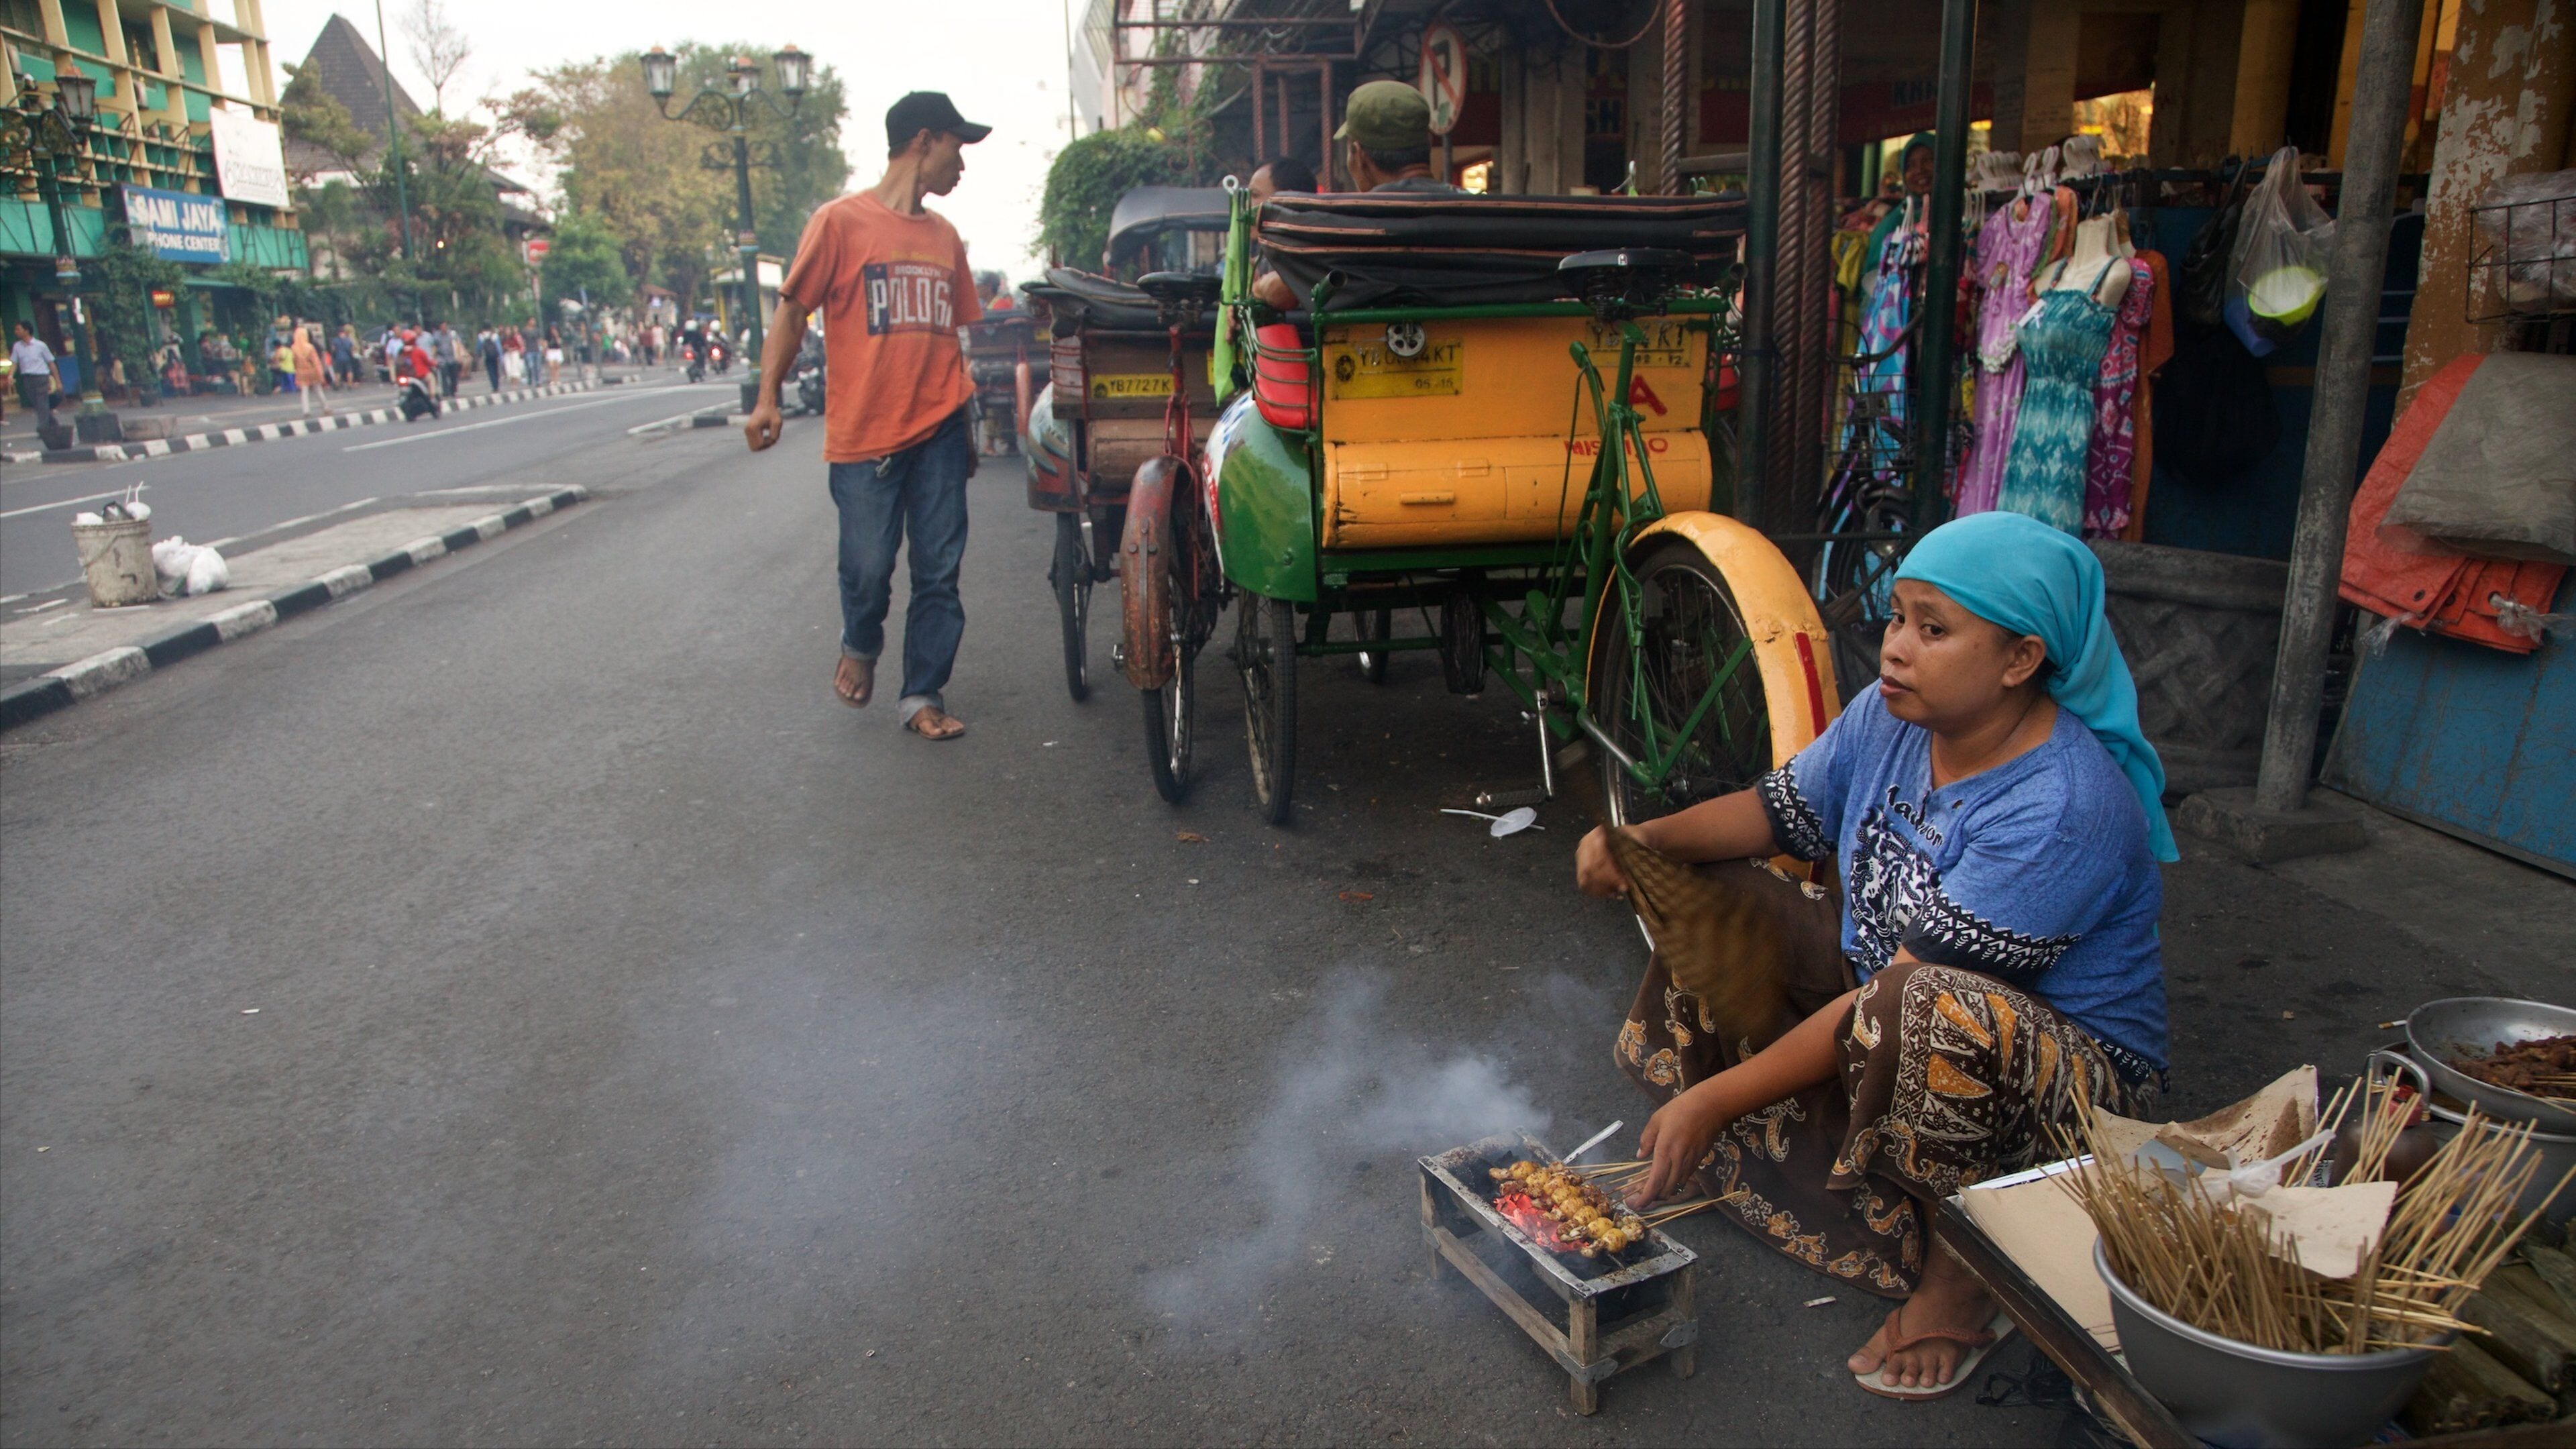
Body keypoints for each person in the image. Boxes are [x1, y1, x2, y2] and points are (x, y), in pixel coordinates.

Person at [1573, 510, 2174, 1401]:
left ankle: (1962, 1282)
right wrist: (1640, 841)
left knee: (1928, 1005)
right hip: (1890, 998)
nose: (1896, 648)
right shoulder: (1888, 718)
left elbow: (1900, 994)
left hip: (2071, 1099)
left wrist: (1716, 1094)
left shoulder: (2063, 806)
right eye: (1898, 618)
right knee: (1710, 889)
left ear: (2020, 661)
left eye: (1935, 629)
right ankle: (1741, 1149)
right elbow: (1777, 815)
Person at [744, 89, 988, 742]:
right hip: (864, 435)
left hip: (938, 426)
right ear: (923, 141)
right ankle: (860, 638)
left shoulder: (946, 238)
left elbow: (954, 341)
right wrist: (768, 396)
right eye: (956, 149)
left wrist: (966, 429)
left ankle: (922, 695)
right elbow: (793, 311)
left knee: (939, 569)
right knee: (869, 568)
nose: (961, 166)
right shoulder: (840, 222)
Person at [1254, 82, 1457, 307]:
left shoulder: (1340, 227)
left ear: (1358, 155)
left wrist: (1259, 289)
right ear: (1429, 142)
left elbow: (1283, 292)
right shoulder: (1485, 217)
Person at [11, 322, 58, 432]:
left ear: (26, 331)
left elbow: (51, 363)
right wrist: (10, 375)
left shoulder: (40, 345)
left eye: (18, 329)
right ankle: (53, 423)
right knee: (37, 404)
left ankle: (42, 429)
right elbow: (14, 363)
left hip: (41, 377)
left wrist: (57, 380)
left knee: (42, 403)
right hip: (27, 378)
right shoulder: (17, 346)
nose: (16, 332)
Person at [290, 325, 331, 415]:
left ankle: (306, 410)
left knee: (304, 392)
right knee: (318, 390)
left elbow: (294, 361)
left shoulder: (294, 348)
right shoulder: (310, 347)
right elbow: (316, 361)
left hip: (301, 372)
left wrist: (297, 370)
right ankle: (326, 408)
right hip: (312, 371)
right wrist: (320, 373)